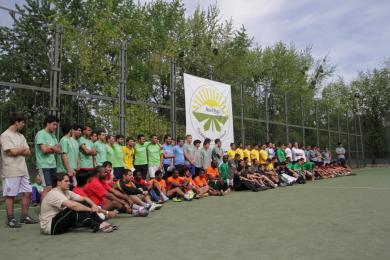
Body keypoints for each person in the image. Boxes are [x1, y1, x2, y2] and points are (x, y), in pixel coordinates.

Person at [39, 173, 118, 235]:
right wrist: (91, 209)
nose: (69, 183)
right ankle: (97, 225)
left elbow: (84, 198)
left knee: (83, 203)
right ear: (58, 182)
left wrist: (93, 205)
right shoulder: (54, 194)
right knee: (72, 208)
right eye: (66, 181)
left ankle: (101, 222)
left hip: (60, 221)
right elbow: (73, 206)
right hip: (50, 227)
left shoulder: (67, 192)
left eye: (69, 181)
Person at [1, 112, 38, 227]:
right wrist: (21, 150)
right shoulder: (5, 135)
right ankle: (11, 219)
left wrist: (18, 150)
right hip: (11, 170)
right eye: (22, 122)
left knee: (28, 192)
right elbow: (11, 152)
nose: (24, 125)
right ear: (16, 122)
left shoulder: (21, 136)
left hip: (23, 169)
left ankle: (24, 217)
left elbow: (29, 151)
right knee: (10, 195)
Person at [35, 115, 61, 201]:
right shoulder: (41, 134)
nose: (55, 127)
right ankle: (43, 212)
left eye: (56, 125)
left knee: (53, 188)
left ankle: (51, 210)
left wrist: (51, 148)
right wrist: (53, 148)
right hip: (44, 165)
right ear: (47, 123)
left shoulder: (53, 136)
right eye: (54, 124)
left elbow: (59, 150)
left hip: (53, 165)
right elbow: (44, 150)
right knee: (47, 187)